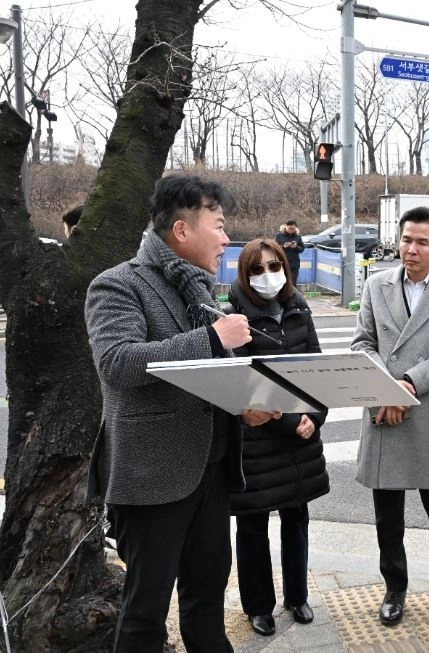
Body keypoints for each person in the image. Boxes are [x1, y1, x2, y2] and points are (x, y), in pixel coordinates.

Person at [85, 174, 281, 652]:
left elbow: (205, 380)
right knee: (146, 612)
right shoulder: (117, 284)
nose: (226, 238)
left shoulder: (197, 289)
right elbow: (119, 362)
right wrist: (214, 338)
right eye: (218, 225)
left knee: (207, 599)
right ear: (181, 230)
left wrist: (244, 408)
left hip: (210, 473)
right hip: (151, 478)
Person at [350, 206, 429, 629]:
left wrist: (408, 384)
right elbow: (361, 342)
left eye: (422, 241)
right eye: (406, 239)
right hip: (382, 405)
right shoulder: (376, 284)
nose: (412, 249)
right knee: (388, 513)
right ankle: (394, 588)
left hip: (425, 406)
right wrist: (386, 387)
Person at [227, 238, 331, 637]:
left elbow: (321, 369)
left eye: (275, 267)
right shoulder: (234, 315)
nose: (267, 276)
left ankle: (297, 595)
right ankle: (258, 605)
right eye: (258, 269)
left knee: (297, 519)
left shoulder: (299, 309)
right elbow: (244, 384)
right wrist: (291, 422)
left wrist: (316, 418)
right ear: (244, 273)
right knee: (252, 526)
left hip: (301, 438)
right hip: (258, 440)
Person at [274, 219, 305, 284]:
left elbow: (302, 249)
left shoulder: (297, 237)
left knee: (293, 283)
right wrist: (283, 247)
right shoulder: (278, 235)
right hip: (282, 263)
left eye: (293, 229)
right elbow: (274, 248)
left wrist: (296, 247)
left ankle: (292, 294)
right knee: (282, 283)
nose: (292, 230)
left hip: (294, 264)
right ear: (285, 226)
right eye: (290, 228)